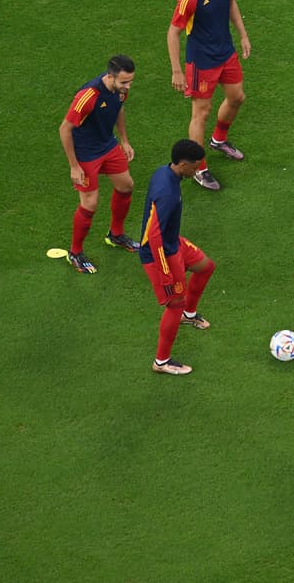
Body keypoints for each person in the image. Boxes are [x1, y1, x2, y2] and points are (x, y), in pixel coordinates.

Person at [167, 0, 253, 192]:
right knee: (201, 113)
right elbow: (172, 32)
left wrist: (243, 35)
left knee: (237, 97)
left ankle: (218, 139)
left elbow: (231, 5)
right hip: (201, 61)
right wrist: (176, 71)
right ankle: (199, 167)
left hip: (226, 53)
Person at [139, 139, 217, 376]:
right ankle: (161, 362)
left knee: (206, 267)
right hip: (159, 254)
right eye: (195, 166)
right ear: (183, 164)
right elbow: (154, 237)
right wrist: (166, 275)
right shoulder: (167, 193)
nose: (197, 170)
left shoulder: (165, 172)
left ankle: (189, 315)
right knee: (174, 303)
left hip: (173, 242)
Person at [58, 54, 140, 274]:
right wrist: (74, 166)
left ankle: (115, 235)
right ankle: (75, 253)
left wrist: (124, 141)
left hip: (108, 145)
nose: (128, 86)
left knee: (126, 185)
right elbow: (64, 129)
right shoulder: (88, 95)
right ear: (110, 77)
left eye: (131, 80)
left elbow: (118, 110)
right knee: (90, 203)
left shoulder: (121, 90)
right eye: (124, 82)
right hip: (86, 153)